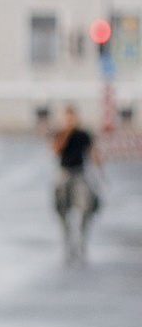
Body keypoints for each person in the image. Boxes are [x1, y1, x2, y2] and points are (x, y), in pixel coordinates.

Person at [53, 110, 101, 262]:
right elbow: (55, 150)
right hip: (64, 173)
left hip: (79, 173)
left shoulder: (83, 134)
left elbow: (92, 152)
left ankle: (81, 241)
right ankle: (68, 243)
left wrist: (98, 165)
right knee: (61, 208)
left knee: (88, 205)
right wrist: (67, 133)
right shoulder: (60, 133)